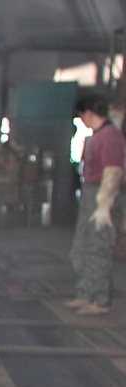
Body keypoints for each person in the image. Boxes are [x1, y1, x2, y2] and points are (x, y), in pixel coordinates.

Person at [66, 93, 125, 316]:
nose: (82, 120)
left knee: (98, 248)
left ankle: (100, 300)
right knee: (83, 247)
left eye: (82, 116)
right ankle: (86, 294)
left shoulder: (110, 136)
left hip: (103, 195)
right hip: (91, 193)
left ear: (89, 113)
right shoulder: (98, 135)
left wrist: (104, 206)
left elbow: (113, 172)